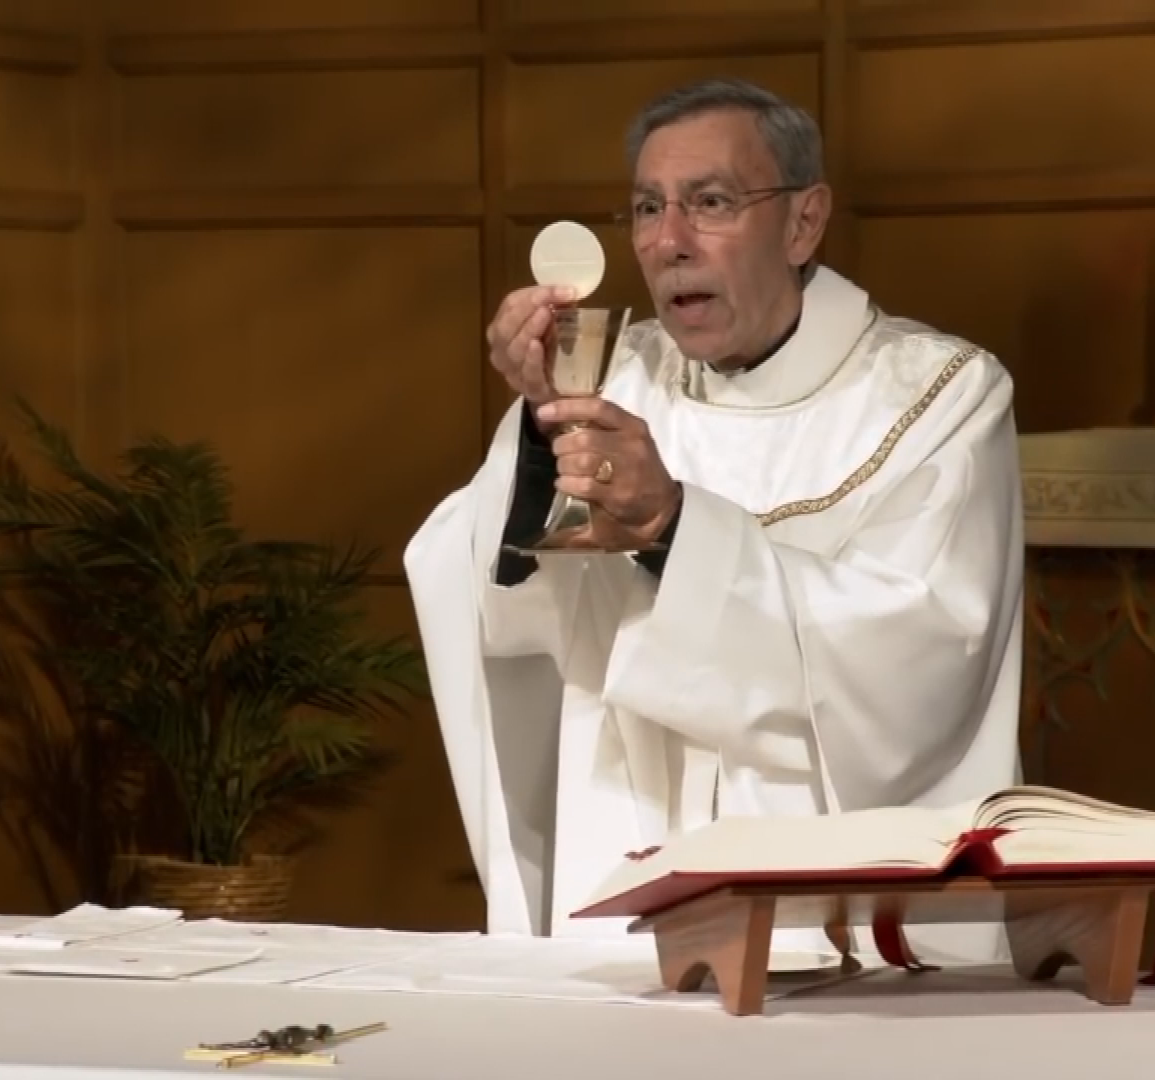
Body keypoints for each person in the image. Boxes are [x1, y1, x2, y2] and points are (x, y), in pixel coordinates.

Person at [403, 77, 1025, 967]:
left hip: (831, 899)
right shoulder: (610, 373)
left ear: (804, 222)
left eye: (711, 203)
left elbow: (925, 654)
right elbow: (483, 593)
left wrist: (671, 524)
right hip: (618, 863)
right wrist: (543, 423)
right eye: (648, 208)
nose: (669, 241)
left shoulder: (937, 395)